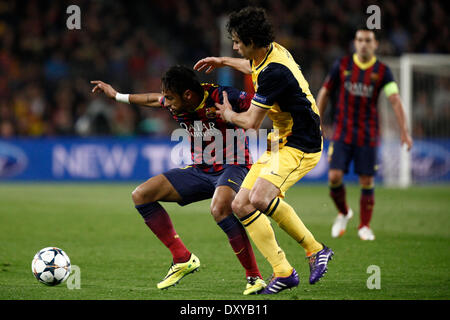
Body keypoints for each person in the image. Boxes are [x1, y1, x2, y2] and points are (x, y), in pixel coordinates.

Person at [91, 65, 266, 295]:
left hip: (234, 166)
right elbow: (153, 99)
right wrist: (117, 96)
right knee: (141, 195)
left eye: (171, 98)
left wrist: (235, 116)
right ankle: (182, 258)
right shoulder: (175, 100)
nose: (167, 102)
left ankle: (254, 277)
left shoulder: (222, 96)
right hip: (200, 170)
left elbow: (261, 105)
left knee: (220, 208)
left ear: (188, 95)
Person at [194, 7, 333, 294]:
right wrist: (223, 61)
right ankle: (283, 271)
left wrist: (227, 113)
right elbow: (252, 66)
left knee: (258, 197)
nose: (234, 46)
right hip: (280, 141)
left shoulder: (274, 72)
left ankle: (315, 249)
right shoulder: (271, 52)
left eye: (237, 42)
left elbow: (250, 123)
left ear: (252, 42)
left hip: (301, 143)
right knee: (240, 204)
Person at [316, 27, 413, 240]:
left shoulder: (382, 71)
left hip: (368, 134)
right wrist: (318, 121)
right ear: (355, 43)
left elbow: (395, 100)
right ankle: (343, 212)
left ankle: (364, 226)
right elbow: (324, 92)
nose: (363, 44)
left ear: (375, 44)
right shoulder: (342, 65)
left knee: (367, 181)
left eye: (368, 40)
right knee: (334, 176)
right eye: (360, 40)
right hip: (342, 131)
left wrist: (404, 131)